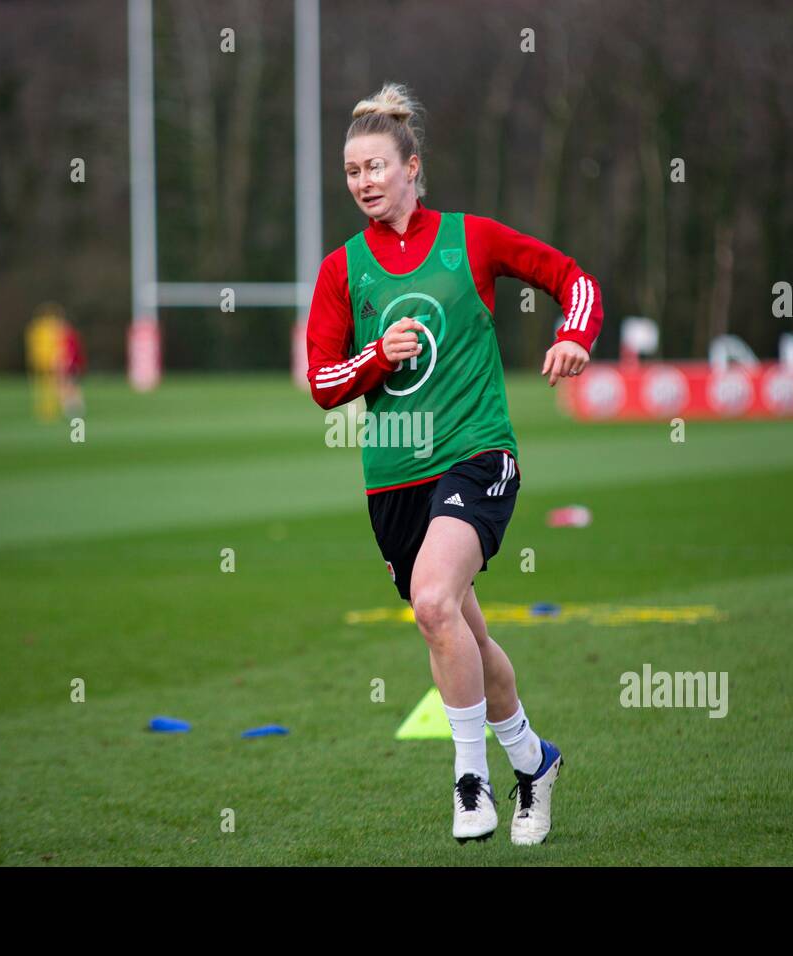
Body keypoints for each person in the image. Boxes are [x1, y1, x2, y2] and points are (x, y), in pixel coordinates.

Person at [306, 83, 602, 844]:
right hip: (394, 482)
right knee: (460, 633)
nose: (363, 181)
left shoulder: (470, 238)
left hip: (477, 454)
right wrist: (376, 354)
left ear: (412, 166)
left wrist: (574, 335)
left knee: (434, 602)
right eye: (350, 170)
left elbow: (574, 279)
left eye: (375, 166)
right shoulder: (343, 271)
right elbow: (322, 382)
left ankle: (470, 781)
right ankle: (534, 763)